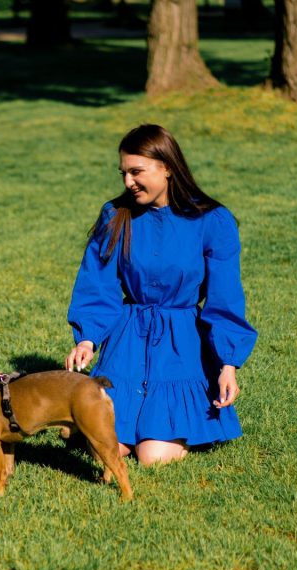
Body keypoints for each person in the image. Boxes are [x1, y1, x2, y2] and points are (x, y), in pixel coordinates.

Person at [64, 124, 256, 466]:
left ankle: (175, 426)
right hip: (128, 340)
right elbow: (99, 286)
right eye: (123, 173)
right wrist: (88, 340)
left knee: (153, 456)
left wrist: (228, 364)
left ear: (167, 167)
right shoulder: (115, 215)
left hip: (181, 344)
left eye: (137, 172)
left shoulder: (212, 220)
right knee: (108, 450)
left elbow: (224, 299)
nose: (128, 182)